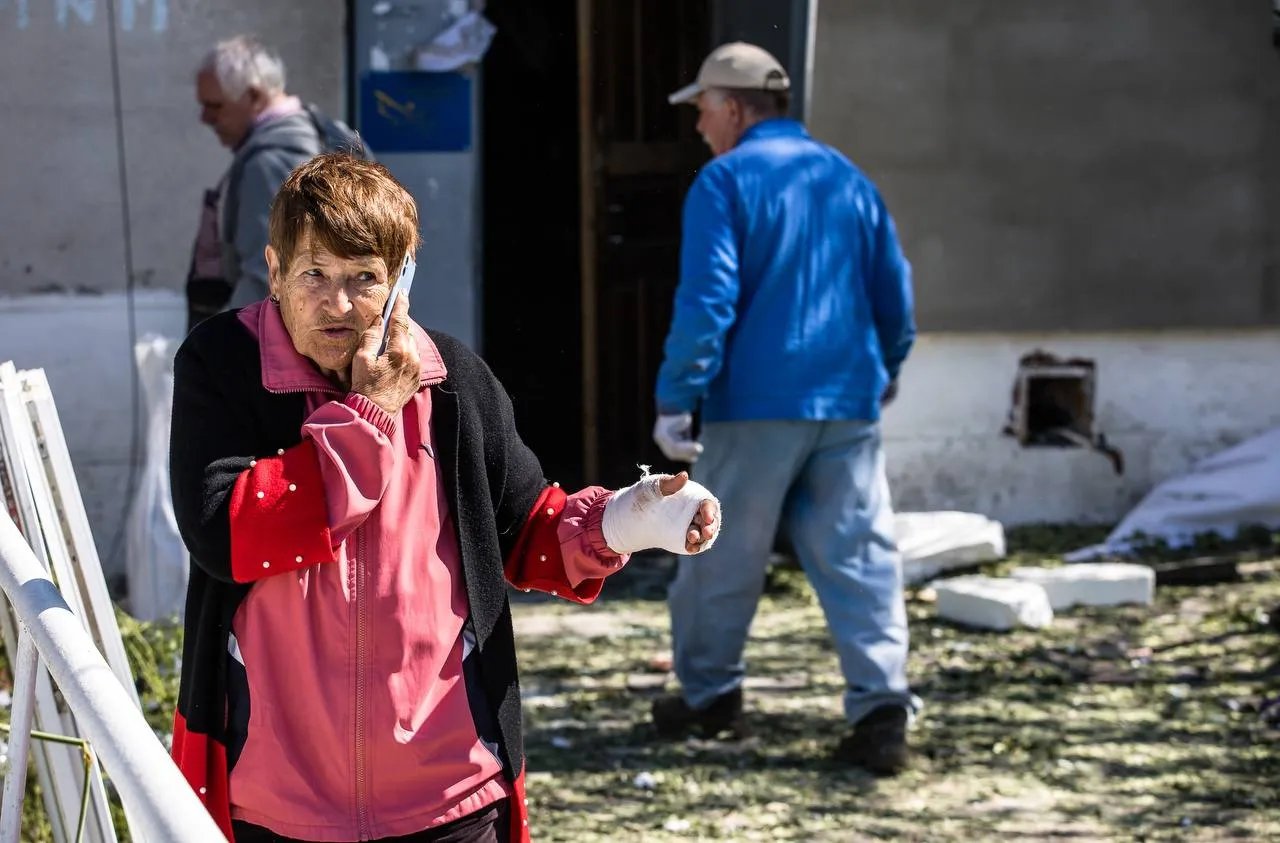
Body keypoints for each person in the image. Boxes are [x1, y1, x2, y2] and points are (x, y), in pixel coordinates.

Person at [168, 153, 721, 842]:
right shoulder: (223, 366)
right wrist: (368, 418)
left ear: (403, 280)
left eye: (364, 277)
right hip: (280, 803)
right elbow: (227, 533)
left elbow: (527, 529)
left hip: (448, 795)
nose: (338, 304)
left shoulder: (453, 380)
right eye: (315, 274)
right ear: (275, 272)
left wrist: (630, 517)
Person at [650, 42, 918, 775]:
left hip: (754, 401)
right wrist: (886, 367)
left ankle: (708, 697)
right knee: (860, 554)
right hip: (847, 398)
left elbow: (708, 301)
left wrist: (677, 396)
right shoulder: (849, 179)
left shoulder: (724, 181)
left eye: (702, 109)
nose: (699, 126)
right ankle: (882, 707)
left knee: (718, 551)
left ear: (732, 108)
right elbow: (895, 292)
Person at [187, 35, 367, 331]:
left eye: (215, 106)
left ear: (254, 97)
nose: (205, 118)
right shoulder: (322, 132)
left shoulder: (271, 162)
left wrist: (224, 348)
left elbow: (265, 278)